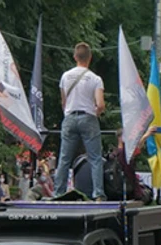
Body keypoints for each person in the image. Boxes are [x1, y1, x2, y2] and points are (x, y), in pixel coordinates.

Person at [53, 42, 106, 201]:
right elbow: (101, 104)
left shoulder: (65, 76)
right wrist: (96, 113)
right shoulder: (95, 79)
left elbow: (63, 101)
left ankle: (59, 192)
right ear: (90, 58)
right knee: (95, 158)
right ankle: (98, 194)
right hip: (88, 117)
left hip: (69, 117)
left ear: (75, 57)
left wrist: (68, 113)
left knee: (64, 158)